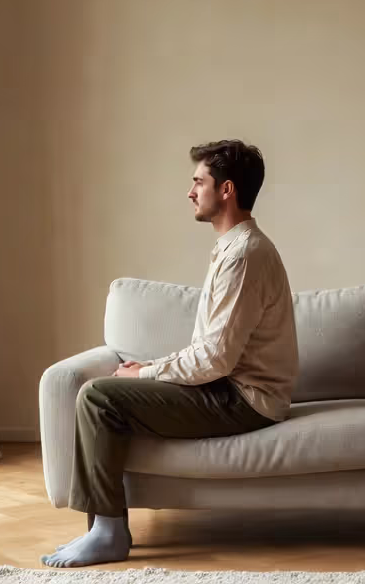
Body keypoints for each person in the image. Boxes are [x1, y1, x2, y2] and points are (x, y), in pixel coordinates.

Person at [43, 140, 299, 568]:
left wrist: (143, 377)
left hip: (244, 399)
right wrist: (150, 368)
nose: (190, 190)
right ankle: (97, 528)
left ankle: (107, 532)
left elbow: (216, 360)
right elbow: (211, 349)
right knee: (103, 391)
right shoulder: (233, 249)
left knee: (98, 397)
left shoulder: (244, 255)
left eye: (199, 181)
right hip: (229, 386)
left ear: (226, 190)